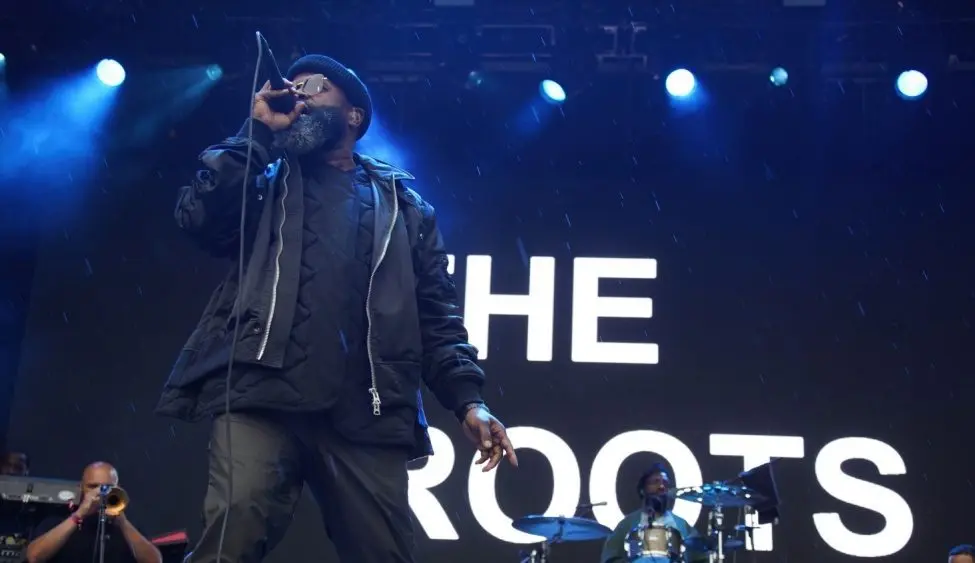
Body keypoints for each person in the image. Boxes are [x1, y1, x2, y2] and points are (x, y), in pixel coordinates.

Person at [155, 54, 518, 563]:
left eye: (314, 87)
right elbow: (198, 217)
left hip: (365, 408)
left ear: (353, 115)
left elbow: (436, 316)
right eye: (292, 86)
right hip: (262, 393)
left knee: (382, 555)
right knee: (230, 538)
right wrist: (255, 134)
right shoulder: (265, 179)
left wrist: (468, 400)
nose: (297, 94)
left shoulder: (406, 208)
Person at [24, 462, 161, 563]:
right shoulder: (57, 519)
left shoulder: (127, 525)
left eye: (108, 487)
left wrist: (122, 522)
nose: (100, 493)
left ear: (117, 488)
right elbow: (34, 556)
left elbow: (154, 561)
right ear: (81, 487)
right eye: (93, 486)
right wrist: (79, 515)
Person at [600, 463, 705, 563]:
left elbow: (701, 556)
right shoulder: (627, 525)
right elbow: (610, 557)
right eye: (655, 482)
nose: (661, 486)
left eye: (665, 483)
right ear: (642, 490)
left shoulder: (682, 525)